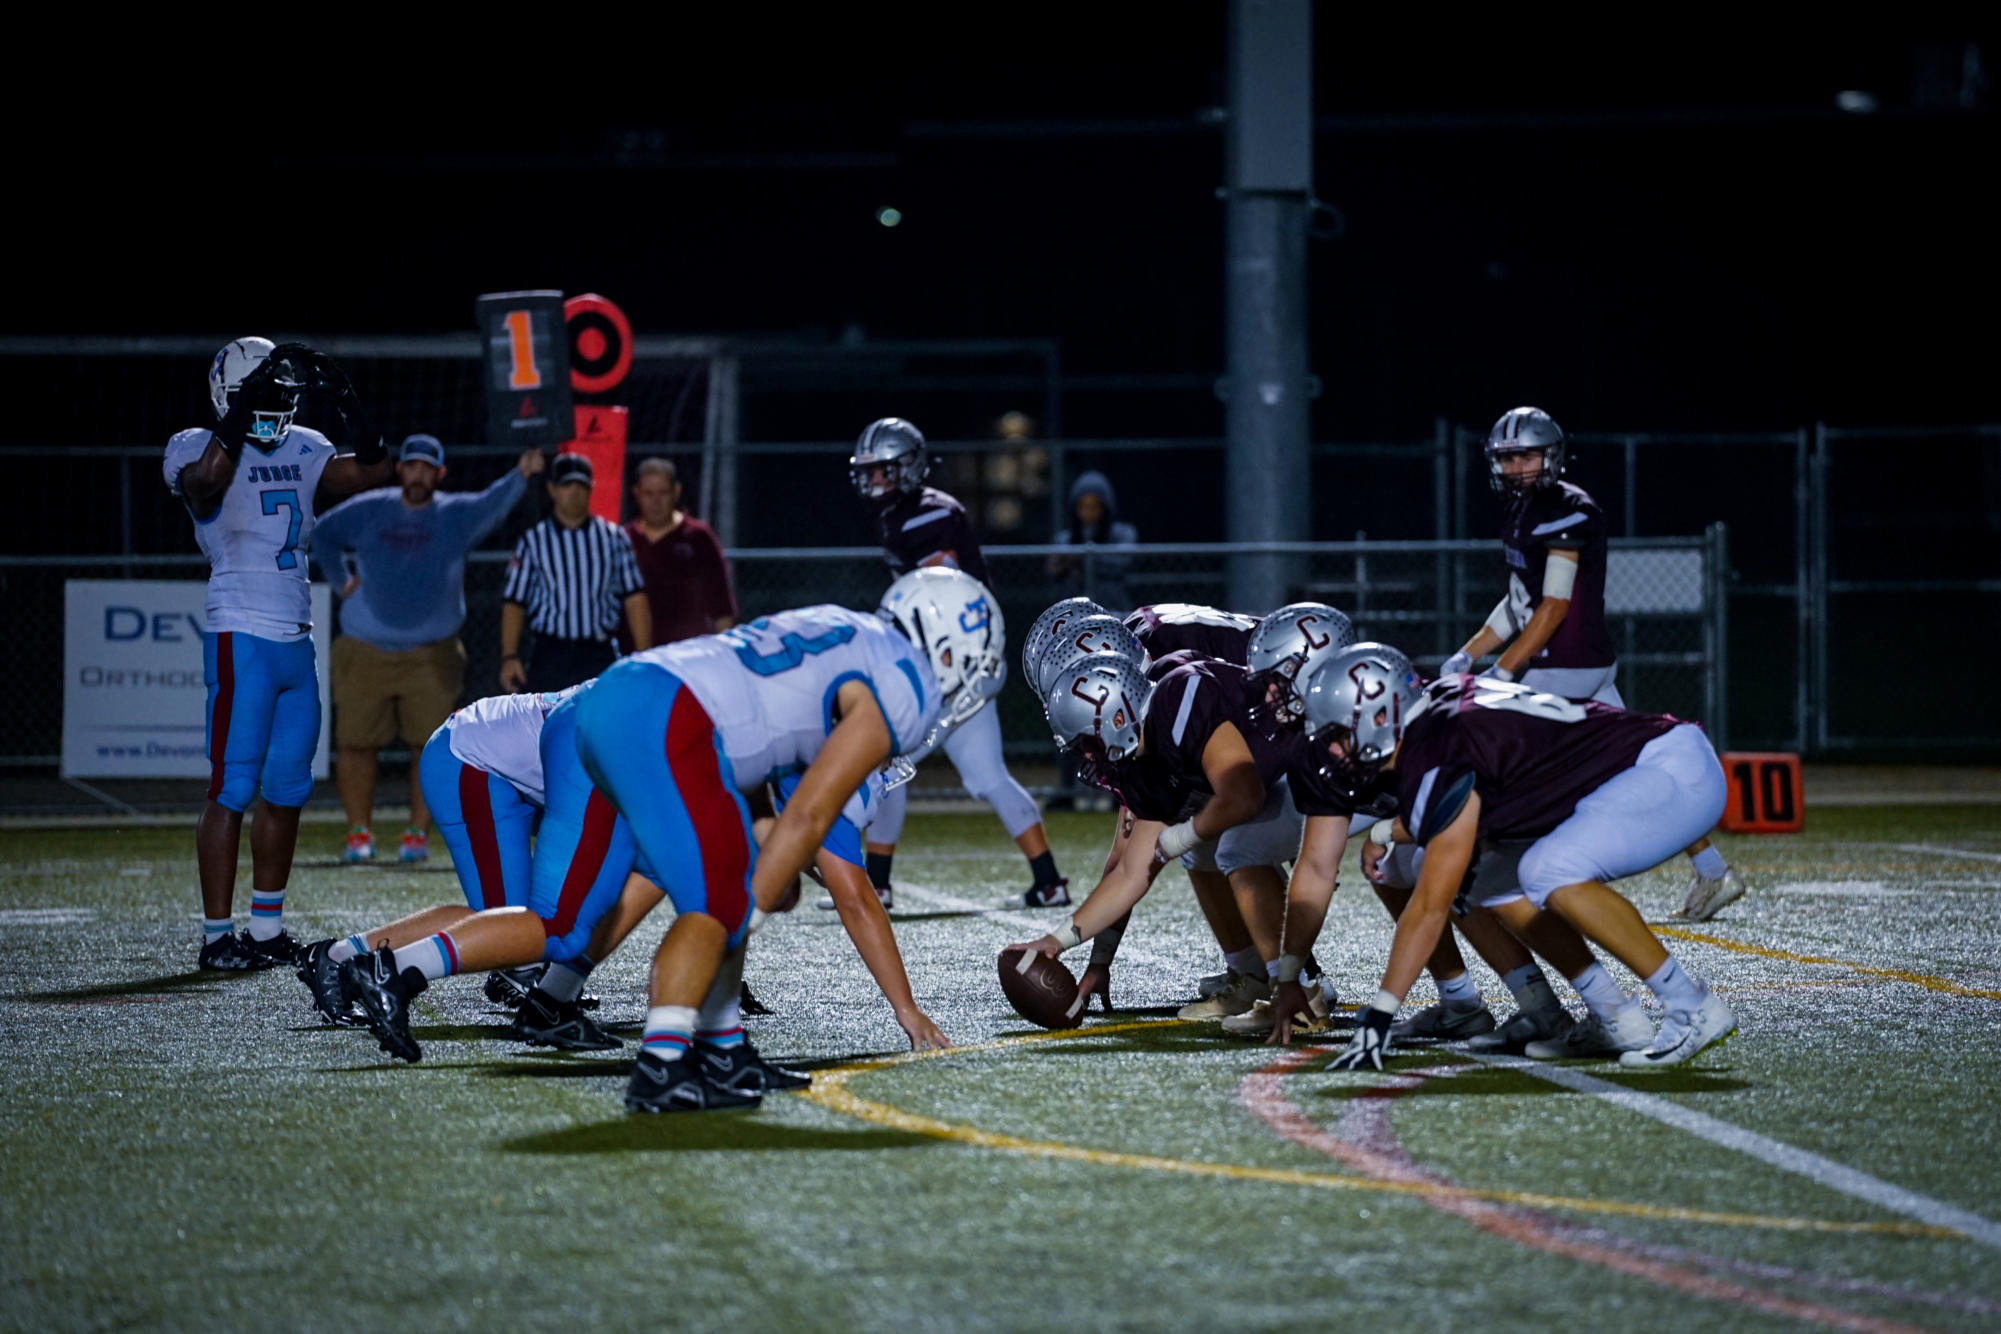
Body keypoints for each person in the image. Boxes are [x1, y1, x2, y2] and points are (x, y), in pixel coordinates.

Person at [337, 570, 995, 1112]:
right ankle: (660, 1066)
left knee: (570, 923)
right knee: (720, 903)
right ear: (945, 649)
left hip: (620, 701)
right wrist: (755, 912)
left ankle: (720, 1051)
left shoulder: (847, 626)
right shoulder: (902, 684)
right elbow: (808, 822)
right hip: (663, 721)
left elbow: (766, 749)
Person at [1311, 644, 1738, 1073]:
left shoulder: (1441, 748)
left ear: (1381, 716)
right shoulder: (1435, 718)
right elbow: (1460, 813)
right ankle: (1614, 1016)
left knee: (1548, 870)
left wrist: (1381, 1013)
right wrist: (1387, 830)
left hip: (1667, 769)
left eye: (1340, 736)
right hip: (1645, 767)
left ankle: (1691, 1004)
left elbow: (1428, 908)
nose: (1333, 752)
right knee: (1480, 878)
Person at [1442, 406, 1744, 922]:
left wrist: (1504, 672)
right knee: (1631, 762)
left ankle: (1513, 874)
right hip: (1578, 663)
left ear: (1552, 456)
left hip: (1565, 663)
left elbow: (1554, 606)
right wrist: (1471, 651)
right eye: (1508, 457)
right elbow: (1518, 603)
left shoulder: (1567, 509)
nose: (1517, 467)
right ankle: (1715, 872)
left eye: (1527, 456)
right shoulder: (1521, 513)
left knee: (1510, 765)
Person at [164, 338, 393, 969]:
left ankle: (265, 929)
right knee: (232, 785)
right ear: (230, 397)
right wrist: (245, 409)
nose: (275, 408)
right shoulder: (194, 446)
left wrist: (348, 400)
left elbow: (374, 469)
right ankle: (216, 939)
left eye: (283, 396)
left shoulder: (307, 447)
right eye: (264, 395)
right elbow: (207, 483)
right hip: (241, 631)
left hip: (297, 638)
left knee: (288, 787)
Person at [847, 417, 1070, 908]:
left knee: (890, 766)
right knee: (984, 776)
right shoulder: (908, 512)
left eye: (883, 470)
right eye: (870, 470)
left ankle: (877, 885)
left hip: (947, 667)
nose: (874, 479)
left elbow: (940, 602)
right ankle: (1049, 881)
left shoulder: (927, 516)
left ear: (907, 467)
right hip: (962, 665)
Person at [313, 435, 543, 864]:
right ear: (401, 469)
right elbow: (322, 533)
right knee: (356, 743)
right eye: (412, 465)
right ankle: (358, 833)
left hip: (432, 653)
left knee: (432, 745)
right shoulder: (369, 508)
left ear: (440, 474)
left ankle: (417, 834)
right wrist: (339, 578)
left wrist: (523, 472)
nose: (418, 474)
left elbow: (493, 503)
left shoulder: (456, 515)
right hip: (365, 649)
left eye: (427, 467)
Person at [499, 452, 651, 692]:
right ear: (552, 489)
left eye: (580, 484)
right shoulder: (533, 541)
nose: (574, 491)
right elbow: (514, 602)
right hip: (550, 653)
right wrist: (509, 656)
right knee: (550, 725)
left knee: (602, 724)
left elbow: (634, 598)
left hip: (598, 652)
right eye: (566, 484)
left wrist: (644, 656)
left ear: (591, 488)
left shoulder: (613, 538)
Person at [617, 457, 738, 651]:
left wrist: (726, 651)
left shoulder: (698, 536)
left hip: (688, 655)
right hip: (636, 658)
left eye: (663, 493)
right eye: (648, 493)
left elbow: (721, 603)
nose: (656, 501)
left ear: (676, 491)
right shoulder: (623, 539)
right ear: (636, 493)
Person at [1047, 470, 1138, 613]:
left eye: (1094, 506)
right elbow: (1053, 568)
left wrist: (1081, 559)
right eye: (1083, 506)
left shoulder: (1123, 534)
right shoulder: (1064, 539)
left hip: (1112, 610)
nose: (1088, 512)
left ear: (1105, 507)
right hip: (1072, 613)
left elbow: (1122, 561)